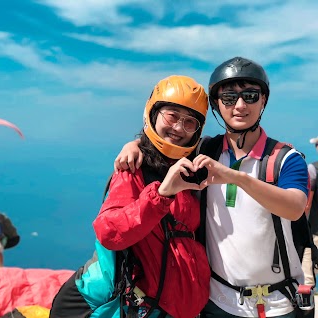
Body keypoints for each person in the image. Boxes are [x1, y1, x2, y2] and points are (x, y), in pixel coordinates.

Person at [115, 57, 309, 318]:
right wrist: (135, 145)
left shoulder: (285, 159)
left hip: (277, 304)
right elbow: (168, 143)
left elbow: (295, 207)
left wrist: (237, 177)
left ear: (263, 100)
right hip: (216, 301)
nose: (239, 105)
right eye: (228, 98)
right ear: (217, 105)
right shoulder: (205, 151)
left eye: (250, 95)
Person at [90, 75, 210, 318]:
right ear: (153, 113)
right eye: (172, 115)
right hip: (146, 308)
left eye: (189, 122)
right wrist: (161, 195)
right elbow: (108, 232)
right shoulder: (133, 170)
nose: (178, 128)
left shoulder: (194, 168)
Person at [302, 138, 318, 286]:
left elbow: (307, 202)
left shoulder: (313, 169)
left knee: (308, 270)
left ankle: (307, 304)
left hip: (314, 229)